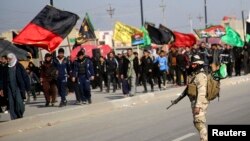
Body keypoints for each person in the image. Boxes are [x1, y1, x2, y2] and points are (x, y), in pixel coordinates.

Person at [1, 53, 30, 120]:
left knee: (19, 102)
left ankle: (20, 114)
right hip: (9, 87)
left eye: (9, 59)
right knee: (11, 103)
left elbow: (25, 77)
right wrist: (2, 88)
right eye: (7, 59)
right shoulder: (6, 67)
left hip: (18, 87)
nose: (8, 60)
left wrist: (27, 87)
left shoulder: (19, 66)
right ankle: (14, 118)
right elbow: (2, 79)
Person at [187, 55, 209, 141]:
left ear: (199, 64)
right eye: (192, 64)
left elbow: (202, 92)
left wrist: (198, 105)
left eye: (194, 64)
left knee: (199, 123)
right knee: (197, 122)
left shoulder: (201, 76)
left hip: (200, 102)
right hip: (195, 101)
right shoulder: (195, 74)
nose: (192, 66)